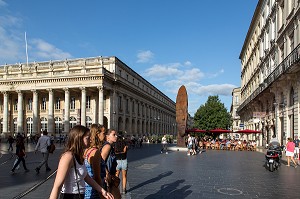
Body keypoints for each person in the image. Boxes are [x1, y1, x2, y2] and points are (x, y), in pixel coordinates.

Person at [49, 125, 113, 199]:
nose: (90, 140)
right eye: (87, 138)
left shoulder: (79, 155)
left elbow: (86, 177)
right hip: (70, 196)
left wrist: (102, 191)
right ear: (78, 139)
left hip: (80, 195)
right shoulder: (68, 156)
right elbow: (57, 185)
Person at [84, 124, 104, 199]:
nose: (105, 135)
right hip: (95, 189)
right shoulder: (96, 152)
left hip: (86, 188)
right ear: (97, 134)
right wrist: (102, 192)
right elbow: (97, 176)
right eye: (103, 133)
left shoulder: (87, 150)